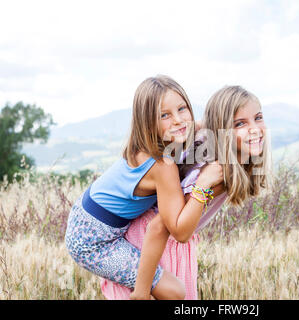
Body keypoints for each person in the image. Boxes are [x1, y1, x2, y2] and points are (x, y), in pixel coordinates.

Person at [101, 85, 272, 300]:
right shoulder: (213, 172)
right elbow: (159, 225)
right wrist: (142, 291)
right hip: (154, 247)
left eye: (258, 118)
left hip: (168, 244)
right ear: (222, 130)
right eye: (240, 123)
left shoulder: (223, 158)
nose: (254, 128)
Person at [64, 75, 223, 300]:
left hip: (84, 215)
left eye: (182, 109)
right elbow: (177, 228)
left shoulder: (157, 142)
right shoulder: (162, 165)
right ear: (147, 122)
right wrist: (204, 184)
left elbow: (197, 124)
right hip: (92, 242)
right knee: (175, 292)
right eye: (164, 115)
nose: (178, 120)